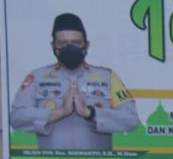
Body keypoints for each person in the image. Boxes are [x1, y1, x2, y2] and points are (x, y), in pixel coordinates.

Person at [10, 13, 140, 151]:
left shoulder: (107, 77)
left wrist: (90, 113)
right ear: (53, 46)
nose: (70, 47)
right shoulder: (37, 77)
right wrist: (59, 112)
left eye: (76, 43)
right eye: (63, 43)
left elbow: (131, 119)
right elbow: (16, 118)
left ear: (86, 45)